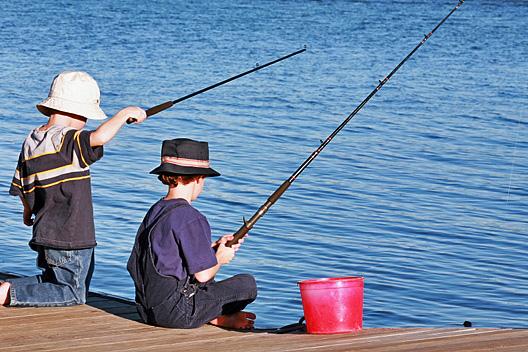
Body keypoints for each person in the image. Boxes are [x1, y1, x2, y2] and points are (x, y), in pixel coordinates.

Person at [0, 71, 147, 306]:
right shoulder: (68, 141)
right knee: (73, 293)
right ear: (75, 112)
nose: (86, 123)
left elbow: (22, 185)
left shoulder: (32, 139)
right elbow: (99, 137)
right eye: (86, 116)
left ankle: (8, 288)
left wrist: (28, 212)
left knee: (53, 280)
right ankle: (10, 293)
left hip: (44, 232)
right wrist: (126, 113)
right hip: (72, 235)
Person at [127, 138, 257, 329]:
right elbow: (203, 275)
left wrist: (213, 247)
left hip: (147, 310)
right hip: (178, 313)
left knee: (207, 275)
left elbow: (167, 255)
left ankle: (211, 316)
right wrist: (220, 257)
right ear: (198, 178)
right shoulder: (191, 216)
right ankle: (212, 316)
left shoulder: (157, 209)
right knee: (247, 285)